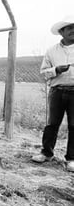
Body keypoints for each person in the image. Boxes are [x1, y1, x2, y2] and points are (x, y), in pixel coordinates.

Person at [32, 15, 74, 173]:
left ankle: (71, 159)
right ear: (61, 32)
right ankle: (46, 152)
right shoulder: (51, 51)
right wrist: (56, 70)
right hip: (57, 91)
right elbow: (43, 73)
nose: (73, 31)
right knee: (52, 124)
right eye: (69, 28)